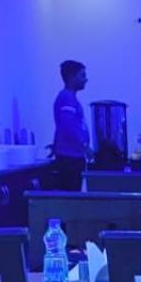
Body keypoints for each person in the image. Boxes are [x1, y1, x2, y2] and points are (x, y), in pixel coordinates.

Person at [48, 59, 90, 191]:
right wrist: (84, 148)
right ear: (72, 77)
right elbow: (67, 127)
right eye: (82, 75)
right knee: (71, 197)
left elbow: (62, 126)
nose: (86, 79)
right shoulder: (67, 98)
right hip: (70, 159)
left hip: (72, 157)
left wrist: (56, 144)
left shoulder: (69, 98)